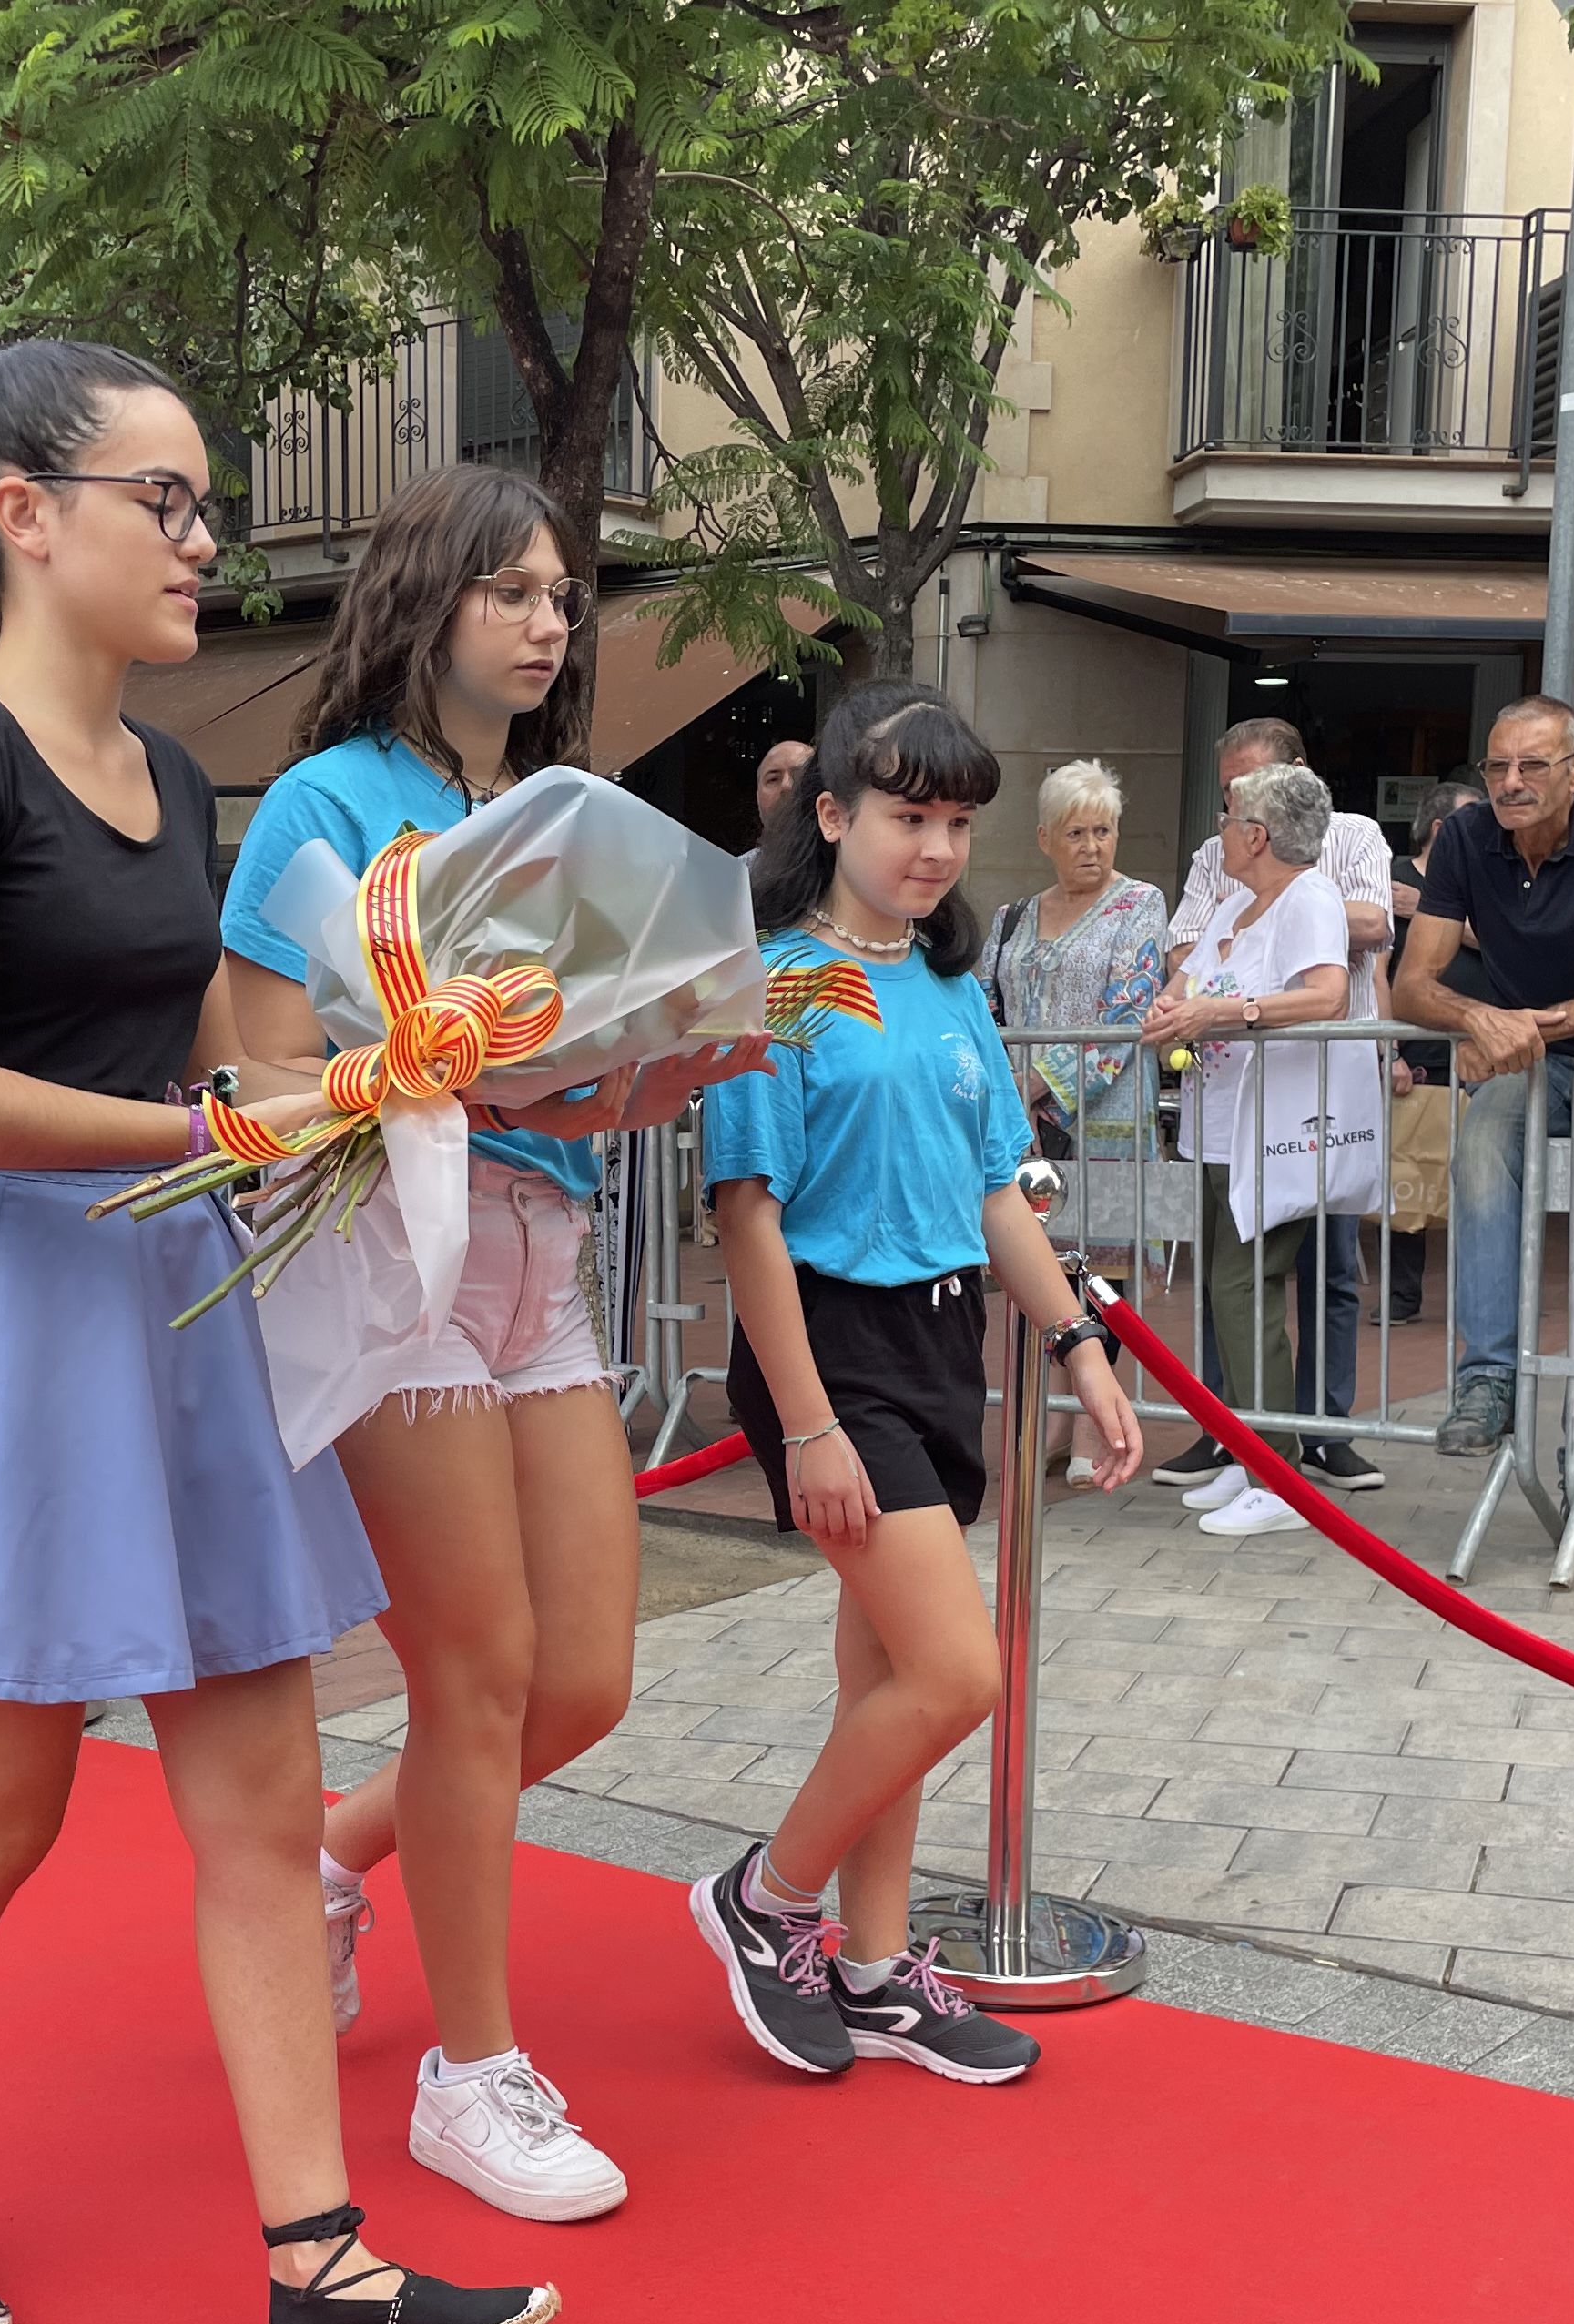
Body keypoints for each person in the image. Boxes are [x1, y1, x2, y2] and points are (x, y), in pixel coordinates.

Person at [0, 335, 555, 2324]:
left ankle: (318, 2262)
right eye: (165, 501)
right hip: (11, 1317)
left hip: (169, 1307)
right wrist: (217, 1131)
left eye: (198, 500)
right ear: (25, 515)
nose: (201, 539)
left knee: (260, 1804)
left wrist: (373, 1077)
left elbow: (197, 1059)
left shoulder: (168, 774)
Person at [222, 463, 747, 2226]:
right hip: (392, 1247)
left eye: (559, 598)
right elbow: (266, 1081)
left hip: (542, 1244)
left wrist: (665, 1071)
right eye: (515, 591)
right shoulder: (320, 800)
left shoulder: (555, 813)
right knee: (480, 1675)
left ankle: (331, 1866)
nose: (547, 623)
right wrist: (409, 1070)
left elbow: (570, 1098)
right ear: (427, 595)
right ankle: (475, 2071)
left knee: (583, 1677)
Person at [695, 683, 1142, 2084]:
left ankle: (880, 1967)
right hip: (831, 1348)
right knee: (959, 1672)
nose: (936, 847)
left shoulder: (951, 981)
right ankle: (768, 1899)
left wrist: (1078, 1347)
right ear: (831, 815)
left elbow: (998, 1187)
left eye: (956, 820)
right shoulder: (778, 979)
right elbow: (746, 1215)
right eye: (907, 815)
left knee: (887, 1672)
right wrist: (811, 1423)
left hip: (944, 1341)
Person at [1396, 695, 1574, 1539]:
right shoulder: (1463, 837)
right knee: (1482, 1141)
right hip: (1530, 1061)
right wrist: (1476, 1018)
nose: (1512, 783)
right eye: (1497, 767)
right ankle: (1486, 1381)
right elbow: (1413, 984)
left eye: (1532, 765)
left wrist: (1531, 1024)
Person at [1149, 718, 1395, 1494]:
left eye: (1228, 817)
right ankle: (1249, 1448)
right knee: (1228, 1288)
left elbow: (1324, 994)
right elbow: (1185, 981)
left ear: (1256, 835)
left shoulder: (1310, 896)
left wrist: (1226, 1014)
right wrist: (1169, 1012)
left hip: (1279, 1126)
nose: (1217, 828)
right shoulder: (1233, 905)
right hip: (1220, 1121)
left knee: (1243, 1285)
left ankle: (1277, 1471)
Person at [980, 757, 1173, 1366]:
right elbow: (982, 1002)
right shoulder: (1010, 917)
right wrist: (1004, 1087)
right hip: (1023, 1129)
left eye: (1104, 830)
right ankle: (1053, 1419)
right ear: (1045, 839)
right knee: (1037, 1270)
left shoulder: (1140, 903)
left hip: (1106, 1123)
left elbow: (1126, 1012)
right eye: (1075, 833)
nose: (1092, 847)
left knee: (1104, 1279)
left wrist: (1034, 1085)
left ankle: (1094, 1424)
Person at [1380, 779, 1483, 1326]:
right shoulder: (1389, 877)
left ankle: (1478, 1304)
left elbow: (1504, 943)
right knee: (1408, 1179)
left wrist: (1425, 910)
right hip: (1414, 1057)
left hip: (1480, 1055)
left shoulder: (1488, 881)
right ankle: (1402, 1298)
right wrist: (1388, 1050)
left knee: (1480, 1183)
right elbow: (1373, 971)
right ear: (1442, 830)